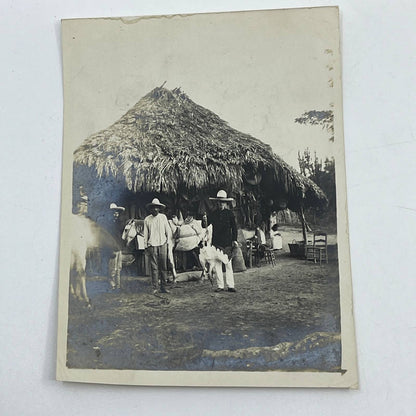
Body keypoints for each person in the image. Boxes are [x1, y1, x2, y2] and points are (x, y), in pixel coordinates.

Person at [208, 190, 238, 293]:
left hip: (227, 242)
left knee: (228, 264)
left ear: (226, 203)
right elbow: (205, 225)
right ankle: (220, 286)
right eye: (219, 202)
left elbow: (234, 228)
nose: (221, 204)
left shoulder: (230, 214)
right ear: (217, 203)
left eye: (223, 202)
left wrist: (234, 239)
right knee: (217, 265)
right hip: (216, 242)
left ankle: (230, 285)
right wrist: (204, 220)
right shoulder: (213, 214)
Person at [144, 198, 172, 294]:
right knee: (154, 267)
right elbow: (145, 234)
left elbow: (168, 230)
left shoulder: (163, 217)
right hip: (152, 245)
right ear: (150, 209)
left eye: (157, 208)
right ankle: (155, 287)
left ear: (159, 209)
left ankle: (164, 287)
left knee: (163, 266)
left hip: (162, 243)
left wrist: (168, 242)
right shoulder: (147, 219)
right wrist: (146, 246)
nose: (155, 210)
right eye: (153, 208)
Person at [108, 203, 126, 289]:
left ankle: (118, 285)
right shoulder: (108, 224)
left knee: (119, 267)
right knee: (112, 268)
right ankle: (112, 284)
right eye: (113, 213)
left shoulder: (120, 223)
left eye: (116, 212)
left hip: (119, 247)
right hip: (112, 248)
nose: (115, 214)